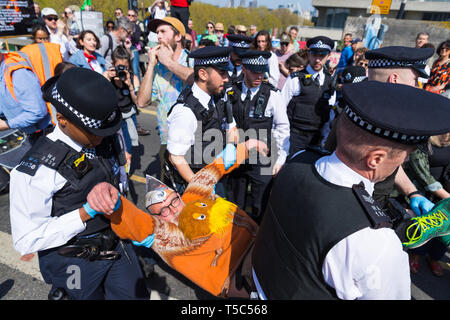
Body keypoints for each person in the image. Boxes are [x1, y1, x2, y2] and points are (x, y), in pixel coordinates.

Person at [251, 80, 450, 300]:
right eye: (406, 155)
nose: (405, 160)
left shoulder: (300, 159)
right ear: (375, 159)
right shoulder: (377, 242)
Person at [9, 67, 149, 300]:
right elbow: (27, 238)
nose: (101, 138)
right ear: (62, 120)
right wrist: (84, 213)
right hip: (75, 261)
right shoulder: (36, 169)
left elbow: (119, 174)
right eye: (93, 132)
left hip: (118, 245)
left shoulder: (104, 132)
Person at [226, 50, 290, 224]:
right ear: (244, 69)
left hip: (262, 159)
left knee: (260, 205)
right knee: (233, 204)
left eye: (262, 71)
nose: (259, 76)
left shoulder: (272, 95)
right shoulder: (230, 91)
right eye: (255, 71)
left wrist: (279, 158)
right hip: (237, 156)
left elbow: (282, 127)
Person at [165, 46, 238, 195]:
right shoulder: (185, 112)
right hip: (193, 185)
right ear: (203, 74)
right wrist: (200, 187)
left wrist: (230, 146)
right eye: (222, 73)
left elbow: (231, 127)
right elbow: (176, 157)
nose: (227, 78)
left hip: (216, 175)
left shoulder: (218, 97)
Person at [137, 17, 194, 182]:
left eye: (163, 32)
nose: (158, 37)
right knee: (170, 197)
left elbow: (197, 80)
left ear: (178, 37)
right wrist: (151, 66)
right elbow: (142, 101)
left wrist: (168, 62)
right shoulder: (159, 68)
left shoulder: (191, 60)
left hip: (193, 142)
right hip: (167, 141)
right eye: (157, 33)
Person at [404, 132, 450, 277]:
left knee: (445, 232)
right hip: (424, 191)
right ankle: (415, 255)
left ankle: (434, 258)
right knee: (425, 227)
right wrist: (447, 199)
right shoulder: (425, 135)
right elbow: (422, 172)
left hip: (445, 189)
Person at [281, 36, 336, 154]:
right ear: (309, 54)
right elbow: (281, 110)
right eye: (314, 55)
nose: (317, 60)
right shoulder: (295, 79)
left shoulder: (330, 82)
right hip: (294, 136)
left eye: (322, 56)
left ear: (328, 56)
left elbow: (329, 115)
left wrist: (324, 140)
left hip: (316, 139)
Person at [0, 51, 52, 143]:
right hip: (30, 134)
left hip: (46, 134)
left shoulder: (18, 73)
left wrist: (6, 124)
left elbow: (37, 112)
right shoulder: (2, 74)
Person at [103, 46, 140, 166]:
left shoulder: (132, 78)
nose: (122, 70)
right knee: (114, 146)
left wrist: (130, 86)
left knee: (127, 146)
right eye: (120, 67)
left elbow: (138, 102)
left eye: (125, 67)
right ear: (113, 64)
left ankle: (126, 169)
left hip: (129, 115)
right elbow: (100, 96)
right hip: (114, 117)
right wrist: (107, 78)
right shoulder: (108, 76)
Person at [126, 9, 143, 81]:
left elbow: (136, 39)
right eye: (129, 15)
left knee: (135, 70)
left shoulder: (136, 27)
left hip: (133, 49)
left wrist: (130, 34)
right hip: (124, 50)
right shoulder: (122, 26)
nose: (130, 17)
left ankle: (138, 88)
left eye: (133, 16)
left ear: (136, 17)